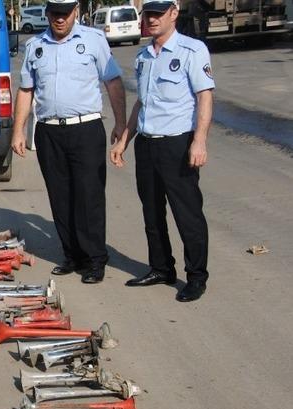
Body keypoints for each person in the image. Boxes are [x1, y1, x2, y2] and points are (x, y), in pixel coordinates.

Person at [11, 0, 126, 284]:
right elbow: (26, 90)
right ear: (47, 13)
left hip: (85, 129)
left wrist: (121, 124)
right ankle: (72, 255)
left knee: (89, 196)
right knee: (60, 196)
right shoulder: (35, 46)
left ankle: (95, 259)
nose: (60, 19)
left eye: (65, 13)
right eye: (55, 13)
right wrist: (18, 131)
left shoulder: (94, 40)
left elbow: (113, 82)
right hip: (49, 132)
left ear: (76, 11)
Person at [110, 0, 213, 302]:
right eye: (148, 14)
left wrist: (200, 140)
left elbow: (204, 97)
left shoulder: (192, 51)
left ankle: (196, 276)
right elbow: (142, 102)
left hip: (178, 143)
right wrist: (123, 140)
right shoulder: (143, 57)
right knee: (151, 212)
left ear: (174, 12)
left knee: (187, 213)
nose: (151, 19)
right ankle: (161, 268)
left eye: (158, 13)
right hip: (147, 143)